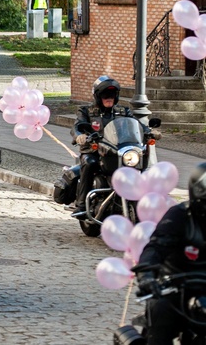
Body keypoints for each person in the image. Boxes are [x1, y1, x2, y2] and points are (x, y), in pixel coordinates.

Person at [135, 163, 206, 345]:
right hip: (174, 284)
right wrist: (146, 276)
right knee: (161, 320)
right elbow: (156, 247)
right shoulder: (179, 215)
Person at [70, 76, 158, 216]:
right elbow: (77, 127)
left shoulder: (123, 111)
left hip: (116, 152)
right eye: (105, 95)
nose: (109, 98)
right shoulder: (86, 111)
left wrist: (150, 132)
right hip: (94, 151)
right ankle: (81, 204)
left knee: (137, 165)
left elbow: (137, 125)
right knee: (89, 162)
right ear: (98, 96)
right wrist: (79, 135)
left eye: (112, 95)